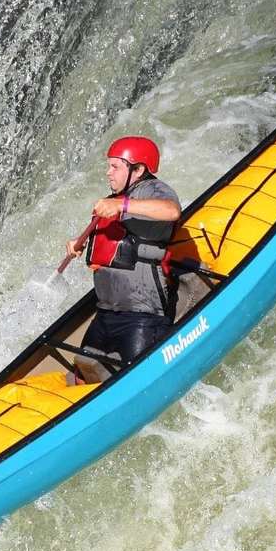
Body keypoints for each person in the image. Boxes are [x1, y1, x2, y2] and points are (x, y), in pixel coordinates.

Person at [66, 136, 182, 374]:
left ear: (138, 170)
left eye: (115, 166)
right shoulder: (113, 199)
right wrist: (78, 242)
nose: (108, 173)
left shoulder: (153, 189)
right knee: (82, 374)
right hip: (106, 313)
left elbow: (172, 211)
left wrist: (123, 206)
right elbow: (111, 239)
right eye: (109, 166)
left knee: (139, 375)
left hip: (141, 316)